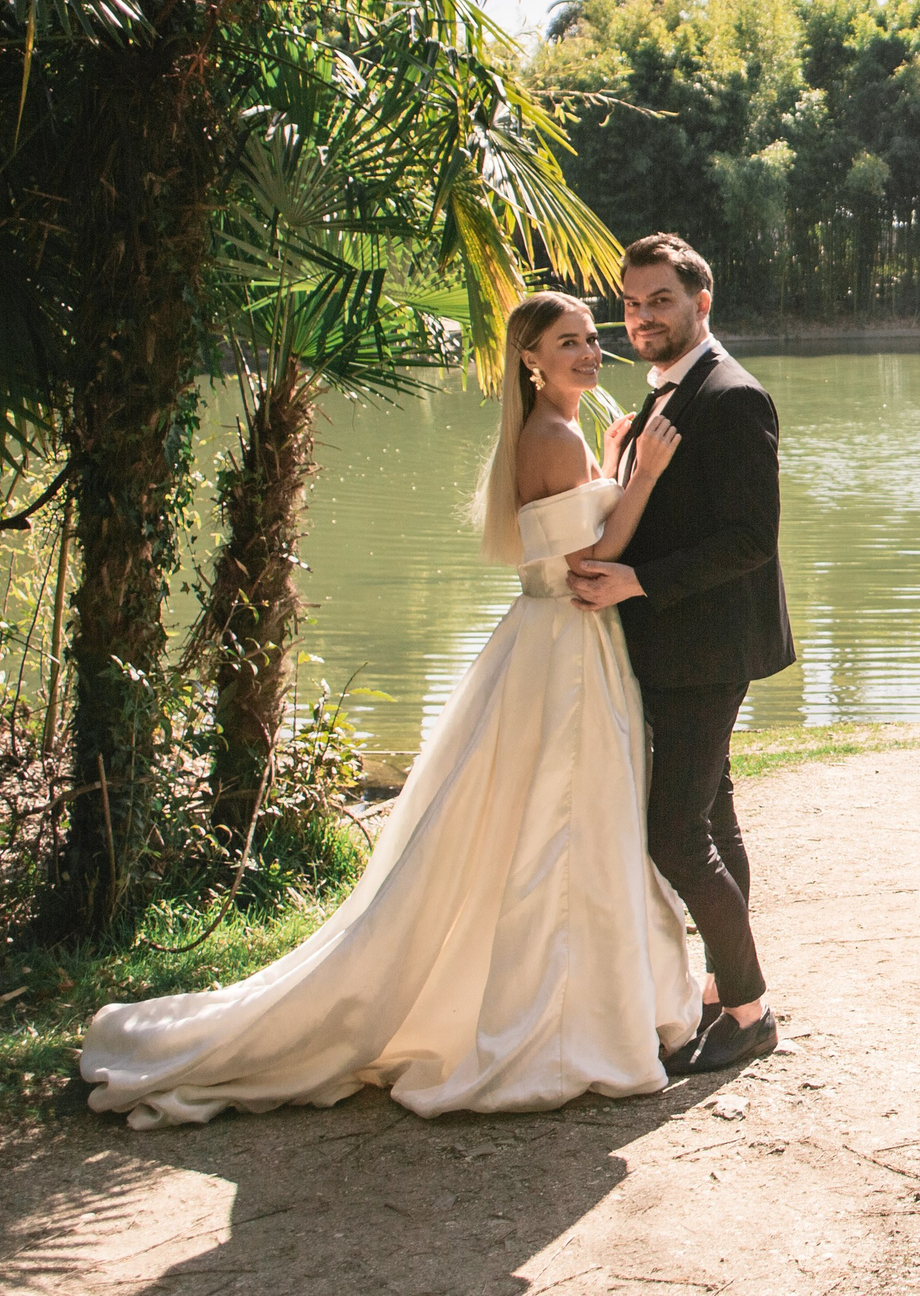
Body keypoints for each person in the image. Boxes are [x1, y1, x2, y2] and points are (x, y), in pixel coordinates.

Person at [81, 292, 702, 1126]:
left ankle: (584, 1003)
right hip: (563, 652)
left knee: (564, 823)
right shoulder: (551, 435)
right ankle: (556, 1022)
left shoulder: (568, 429)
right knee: (563, 820)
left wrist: (618, 461)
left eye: (594, 339)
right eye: (570, 343)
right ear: (532, 359)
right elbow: (593, 561)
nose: (591, 353)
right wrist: (647, 475)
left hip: (565, 647)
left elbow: (577, 528)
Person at [568, 233, 794, 1075]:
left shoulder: (732, 396)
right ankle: (720, 994)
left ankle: (750, 1010)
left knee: (673, 833)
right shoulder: (668, 395)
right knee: (713, 819)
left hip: (707, 647)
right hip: (675, 646)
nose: (640, 316)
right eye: (630, 302)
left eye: (659, 299)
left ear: (702, 303)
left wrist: (636, 581)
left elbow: (749, 538)